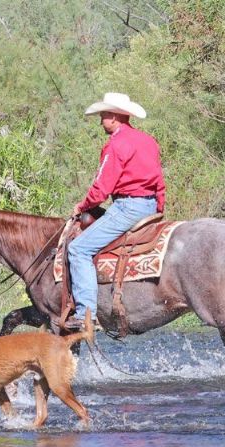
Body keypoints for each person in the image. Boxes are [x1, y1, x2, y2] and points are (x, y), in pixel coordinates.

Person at [65, 92, 166, 330]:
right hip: (150, 205)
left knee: (79, 249)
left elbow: (102, 187)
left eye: (103, 116)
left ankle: (85, 314)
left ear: (114, 117)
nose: (101, 121)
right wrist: (159, 207)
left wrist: (82, 205)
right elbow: (159, 179)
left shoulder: (116, 144)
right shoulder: (148, 141)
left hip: (128, 207)